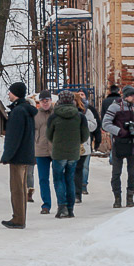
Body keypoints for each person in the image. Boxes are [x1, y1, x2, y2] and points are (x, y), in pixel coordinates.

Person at [0, 81, 36, 229]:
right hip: (25, 154)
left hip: (18, 155)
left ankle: (18, 219)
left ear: (15, 93)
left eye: (10, 91)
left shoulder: (18, 111)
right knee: (21, 187)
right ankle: (19, 217)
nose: (8, 93)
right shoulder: (26, 110)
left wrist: (7, 155)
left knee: (17, 188)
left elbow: (14, 137)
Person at [47, 89, 88, 218]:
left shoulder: (54, 116)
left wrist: (56, 142)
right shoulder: (80, 116)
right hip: (73, 152)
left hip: (58, 152)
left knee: (58, 179)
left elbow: (49, 135)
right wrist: (76, 142)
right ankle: (70, 209)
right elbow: (85, 135)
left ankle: (62, 207)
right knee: (70, 179)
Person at [102, 84, 134, 208]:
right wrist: (120, 131)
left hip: (132, 143)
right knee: (116, 173)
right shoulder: (114, 107)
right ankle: (117, 198)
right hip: (118, 143)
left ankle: (130, 196)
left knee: (132, 172)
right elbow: (105, 124)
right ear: (127, 96)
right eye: (133, 95)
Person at [72, 91, 96, 203]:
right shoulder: (68, 112)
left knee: (79, 169)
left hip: (83, 144)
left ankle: (78, 193)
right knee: (71, 169)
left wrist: (83, 122)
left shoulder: (87, 112)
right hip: (70, 144)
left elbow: (94, 125)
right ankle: (73, 192)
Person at [33, 91, 54, 213]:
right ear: (39, 102)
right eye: (42, 101)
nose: (45, 103)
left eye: (47, 100)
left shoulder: (56, 113)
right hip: (40, 150)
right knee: (43, 179)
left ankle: (63, 203)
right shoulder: (36, 115)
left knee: (59, 177)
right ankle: (46, 205)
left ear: (51, 100)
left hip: (55, 149)